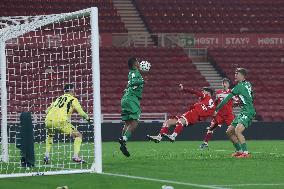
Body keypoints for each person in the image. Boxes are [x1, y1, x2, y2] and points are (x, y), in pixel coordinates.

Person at [147, 84, 215, 143]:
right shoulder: (211, 105)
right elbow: (210, 114)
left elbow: (195, 92)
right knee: (168, 122)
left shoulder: (206, 97)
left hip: (194, 114)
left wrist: (184, 89)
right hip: (193, 116)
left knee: (180, 121)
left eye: (204, 91)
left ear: (208, 93)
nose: (202, 92)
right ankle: (159, 137)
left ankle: (173, 136)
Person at [214, 68, 256, 158]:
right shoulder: (248, 84)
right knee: (229, 132)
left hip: (248, 111)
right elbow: (252, 95)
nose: (235, 75)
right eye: (235, 74)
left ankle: (246, 153)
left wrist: (216, 108)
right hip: (244, 110)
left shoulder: (238, 87)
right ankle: (239, 151)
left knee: (237, 131)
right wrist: (241, 102)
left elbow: (226, 99)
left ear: (242, 76)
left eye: (237, 74)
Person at [44, 83, 90, 164]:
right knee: (78, 135)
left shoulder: (58, 99)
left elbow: (46, 111)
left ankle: (46, 156)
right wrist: (88, 118)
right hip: (60, 121)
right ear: (72, 90)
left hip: (48, 120)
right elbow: (81, 113)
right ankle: (76, 156)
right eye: (74, 90)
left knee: (50, 136)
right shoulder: (73, 99)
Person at [118, 57, 146, 157]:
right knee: (134, 122)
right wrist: (142, 81)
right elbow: (134, 82)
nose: (139, 62)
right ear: (135, 64)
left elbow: (130, 83)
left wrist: (127, 89)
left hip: (126, 99)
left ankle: (123, 144)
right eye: (138, 61)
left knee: (128, 122)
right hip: (131, 99)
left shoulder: (132, 72)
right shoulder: (135, 73)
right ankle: (124, 139)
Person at [200, 78, 238, 149]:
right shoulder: (218, 93)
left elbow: (237, 101)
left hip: (228, 115)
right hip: (219, 114)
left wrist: (234, 104)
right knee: (211, 128)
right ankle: (205, 143)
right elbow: (216, 102)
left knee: (233, 130)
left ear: (228, 85)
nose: (224, 84)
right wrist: (213, 110)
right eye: (223, 83)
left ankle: (238, 147)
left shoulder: (232, 93)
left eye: (226, 83)